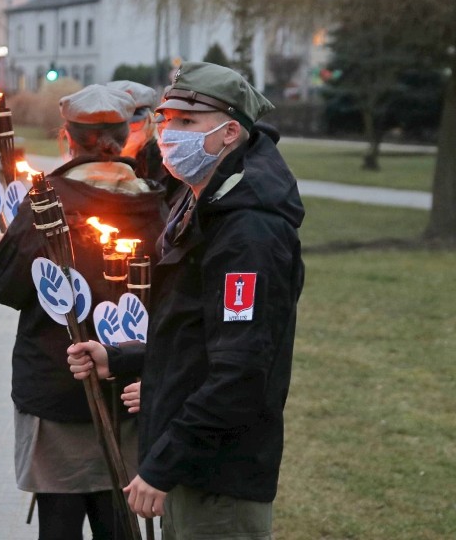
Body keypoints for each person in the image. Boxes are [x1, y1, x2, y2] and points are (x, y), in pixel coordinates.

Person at [67, 61, 305, 539]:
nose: (170, 133)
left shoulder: (247, 232)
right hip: (193, 467)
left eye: (188, 122)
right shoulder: (206, 202)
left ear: (229, 132)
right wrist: (121, 357)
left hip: (218, 477)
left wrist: (164, 464)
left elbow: (239, 373)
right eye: (168, 120)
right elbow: (197, 337)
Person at [0, 84, 168, 540]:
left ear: (68, 136)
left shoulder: (49, 200)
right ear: (126, 137)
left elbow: (4, 286)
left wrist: (12, 251)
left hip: (56, 385)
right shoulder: (158, 203)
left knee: (60, 527)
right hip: (130, 389)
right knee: (118, 522)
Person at [106, 80, 185, 207]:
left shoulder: (166, 163)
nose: (127, 133)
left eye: (134, 125)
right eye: (119, 126)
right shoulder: (96, 161)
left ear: (148, 122)